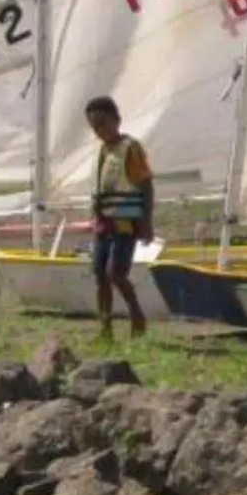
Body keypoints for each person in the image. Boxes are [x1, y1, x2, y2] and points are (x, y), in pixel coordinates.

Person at [87, 96, 152, 339]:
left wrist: (146, 222)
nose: (100, 131)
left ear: (117, 120)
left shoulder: (131, 148)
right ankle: (105, 327)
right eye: (95, 127)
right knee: (100, 275)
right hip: (104, 223)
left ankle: (137, 315)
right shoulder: (104, 150)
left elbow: (145, 184)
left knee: (116, 273)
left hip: (125, 223)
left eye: (103, 124)